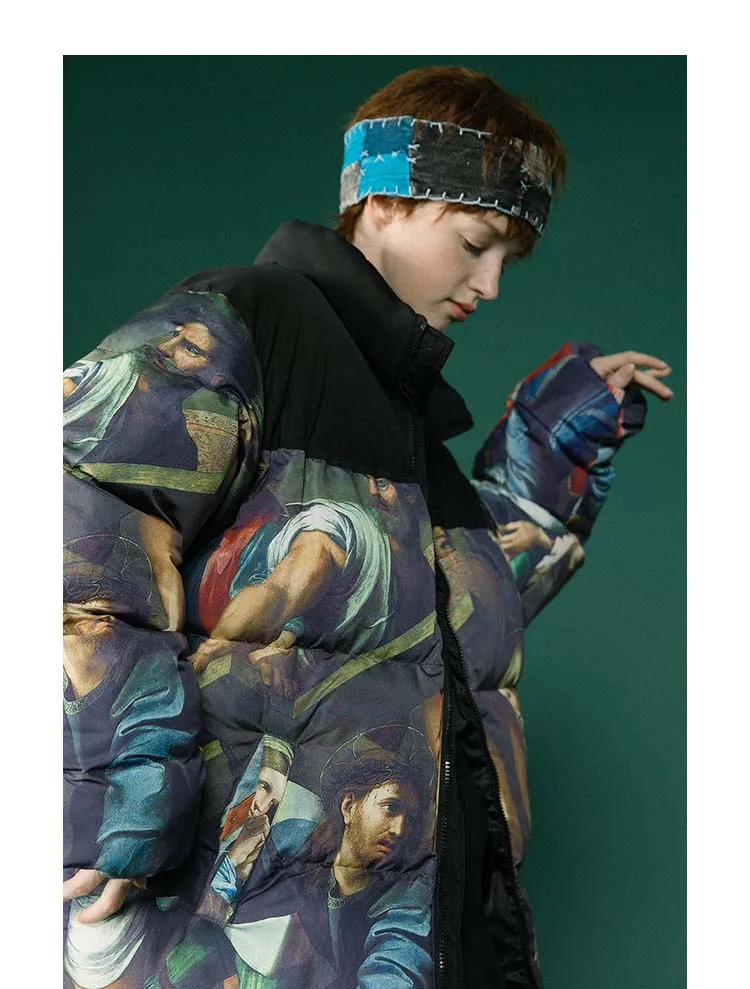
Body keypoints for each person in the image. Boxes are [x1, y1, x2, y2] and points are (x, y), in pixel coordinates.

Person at [63, 65, 674, 988]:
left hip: (421, 934)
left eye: (508, 261)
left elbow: (437, 633)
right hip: (253, 934)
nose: (490, 286)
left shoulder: (406, 421)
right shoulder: (248, 326)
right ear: (382, 201)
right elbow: (78, 514)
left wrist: (550, 453)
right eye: (475, 244)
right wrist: (116, 786)